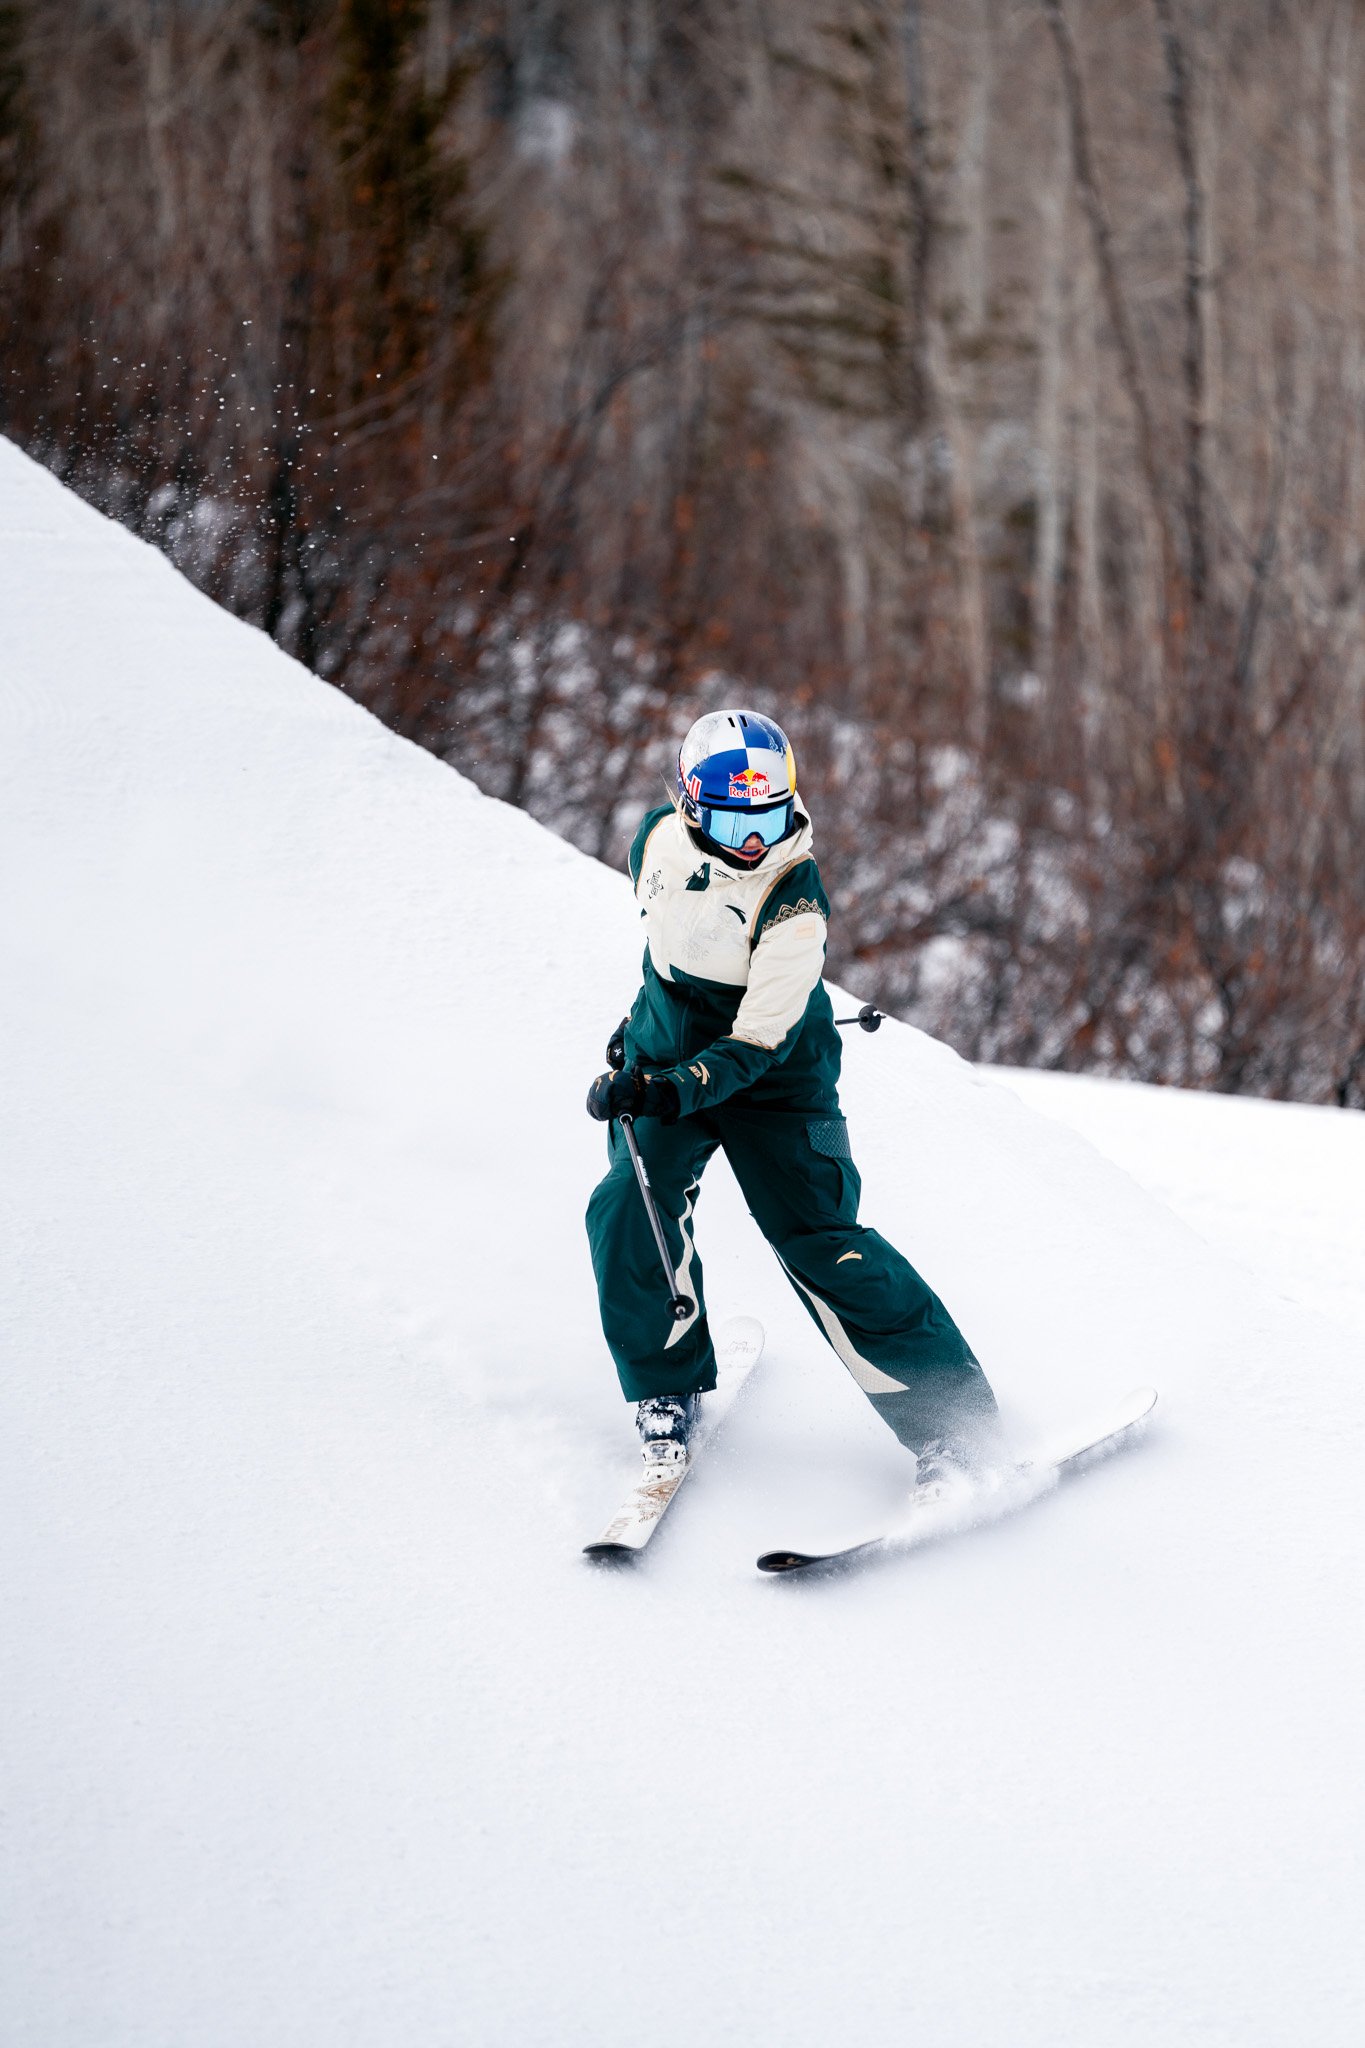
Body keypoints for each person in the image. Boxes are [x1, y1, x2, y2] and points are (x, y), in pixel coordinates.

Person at [585, 708, 1002, 1488]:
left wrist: (673, 1088)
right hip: (665, 1056)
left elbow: (757, 1039)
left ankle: (956, 1427)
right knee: (627, 1204)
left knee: (821, 1242)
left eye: (772, 816)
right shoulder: (655, 841)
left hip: (773, 1078)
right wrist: (638, 1040)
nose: (755, 839)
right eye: (736, 819)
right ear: (688, 806)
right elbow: (666, 944)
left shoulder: (794, 900)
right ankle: (664, 1387)